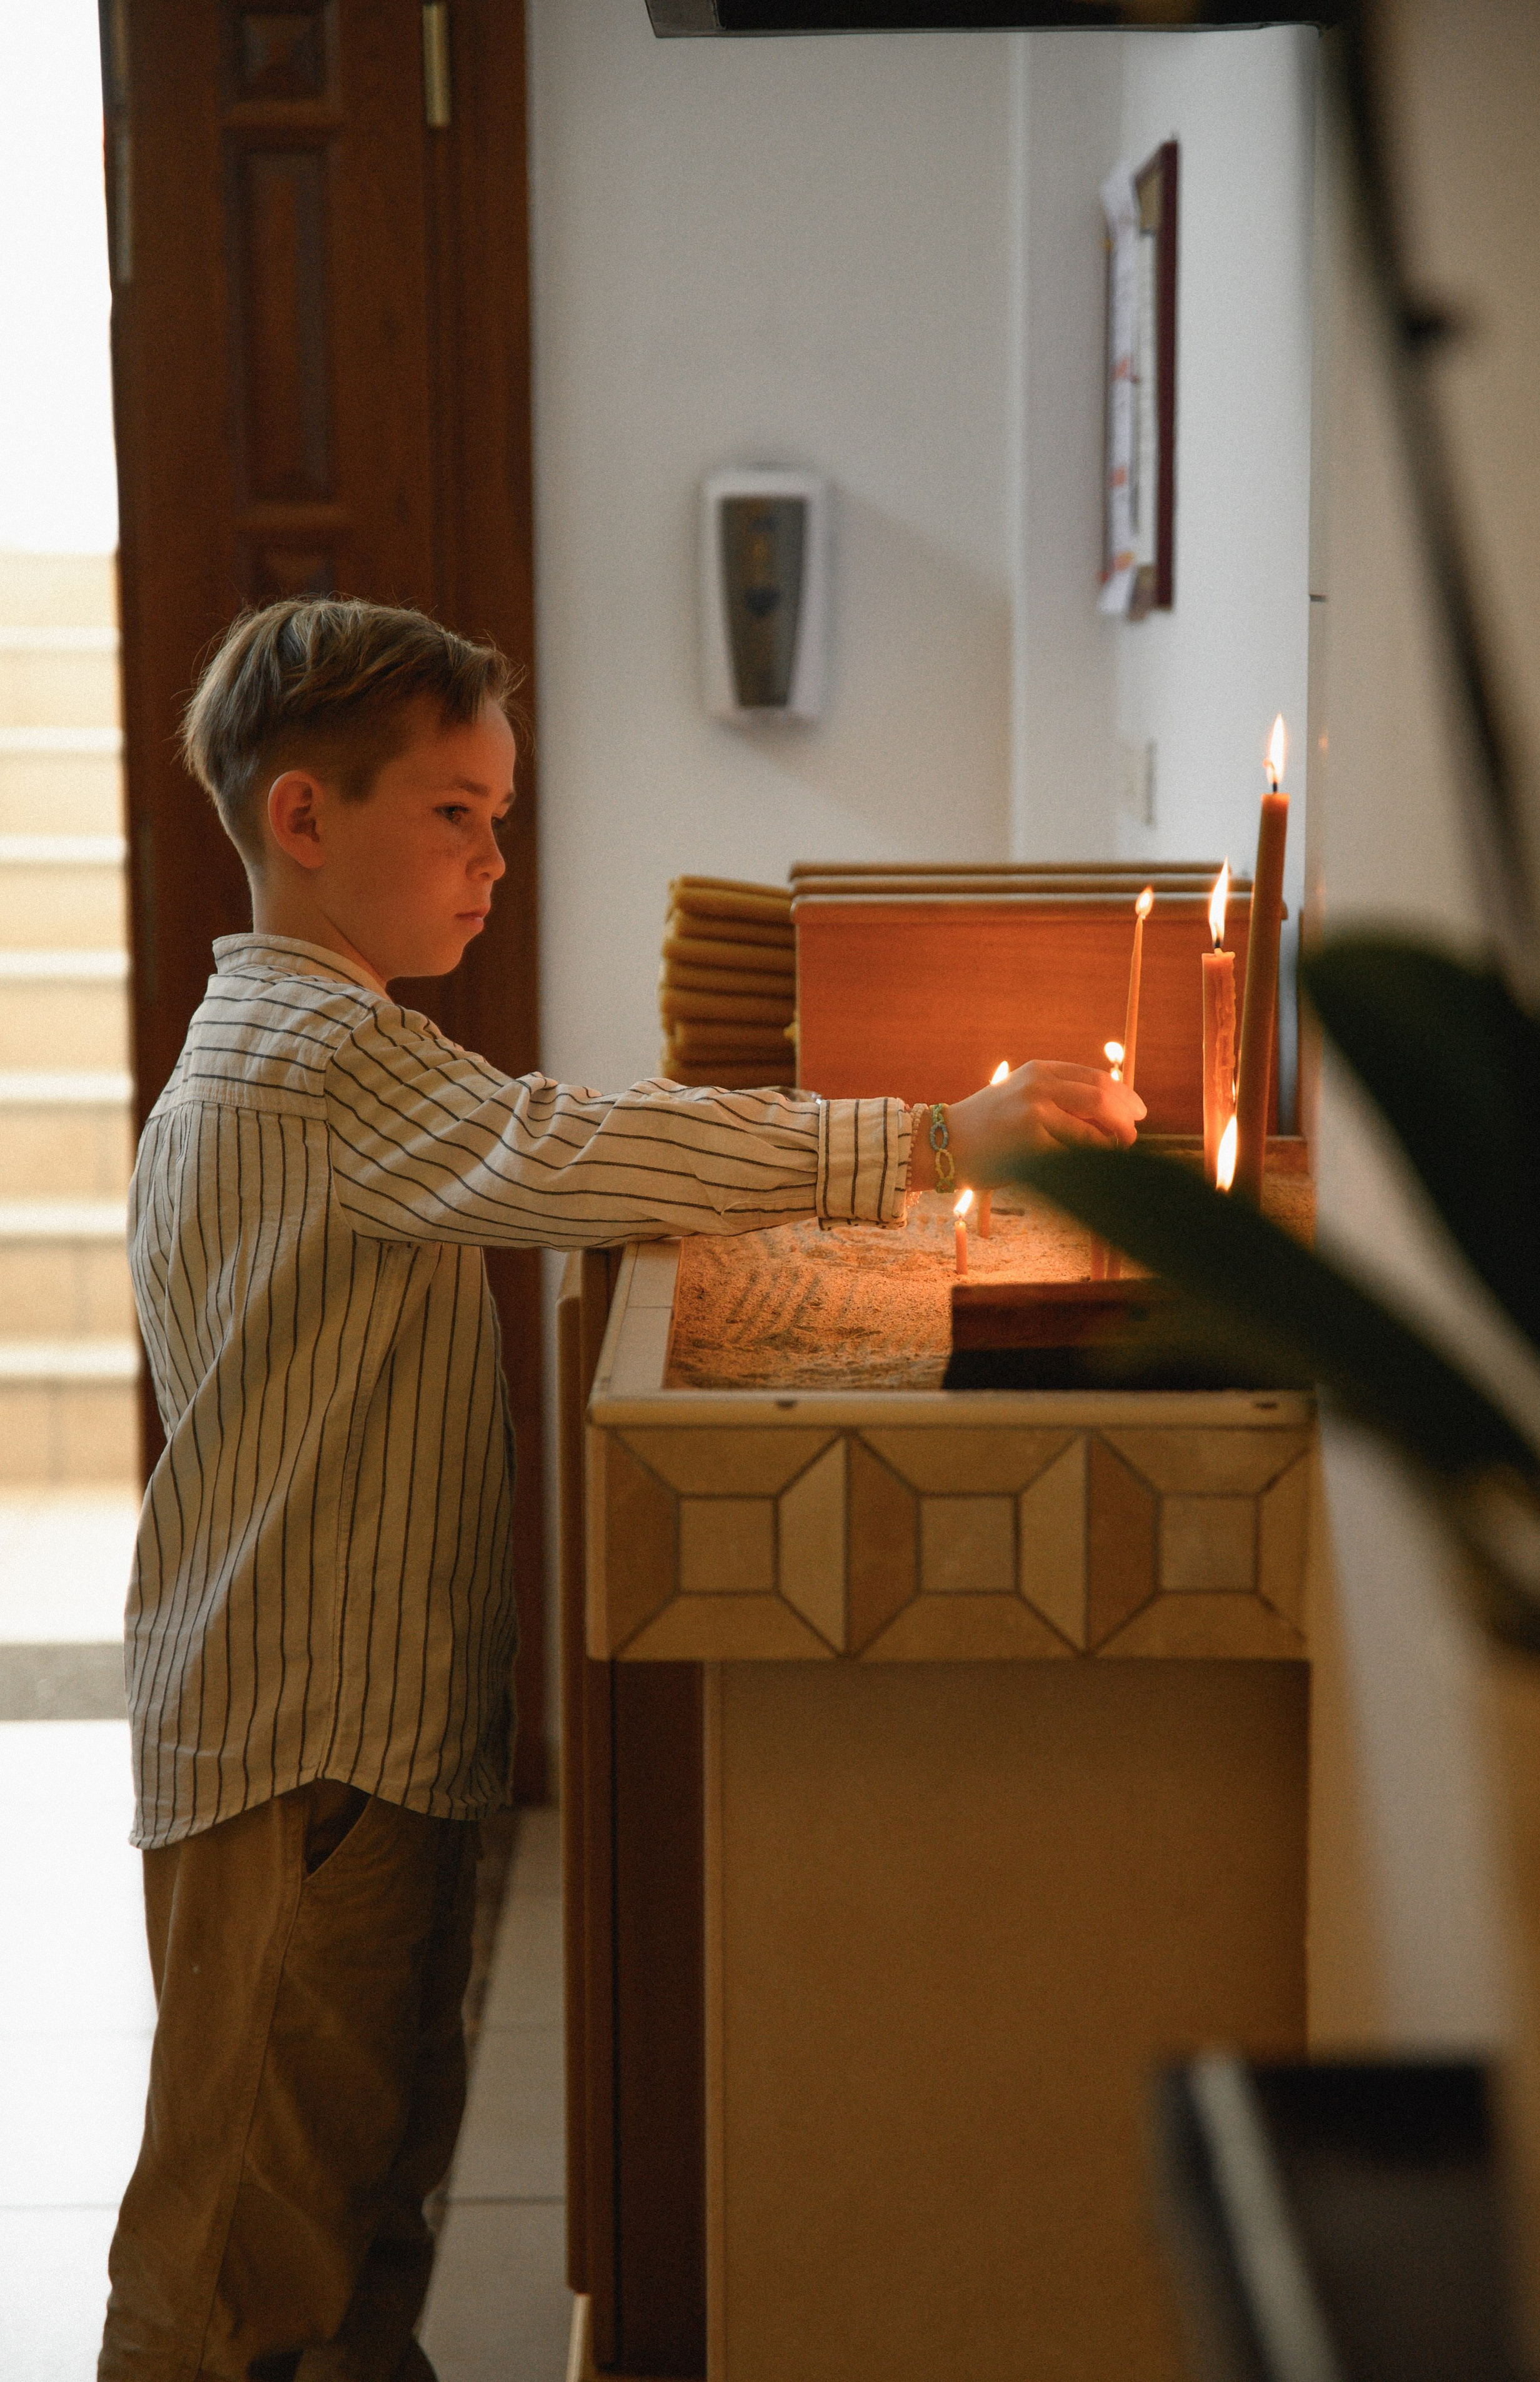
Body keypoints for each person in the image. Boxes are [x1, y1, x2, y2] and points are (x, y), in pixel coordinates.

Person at [97, 595, 1142, 2381]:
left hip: (352, 1735)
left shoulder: (331, 1050)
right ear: (302, 816)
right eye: (456, 814)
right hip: (299, 1750)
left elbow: (534, 1140)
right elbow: (558, 1144)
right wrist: (924, 1136)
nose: (497, 858)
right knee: (243, 2247)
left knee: (352, 2207)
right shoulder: (311, 1059)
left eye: (503, 817)